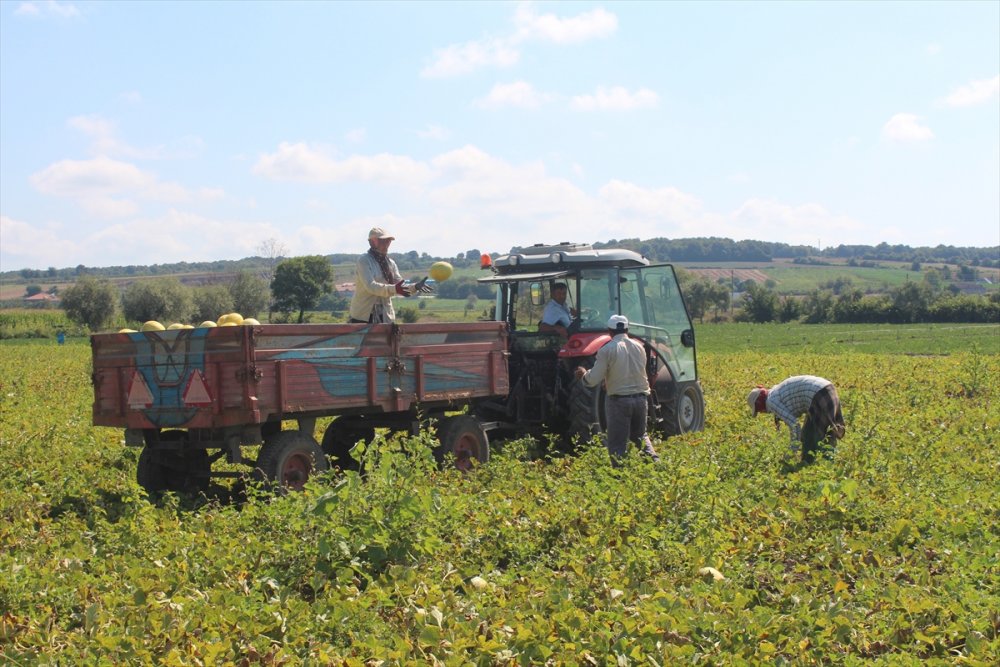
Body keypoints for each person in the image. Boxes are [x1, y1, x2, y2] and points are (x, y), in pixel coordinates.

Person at [574, 315, 659, 464]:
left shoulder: (606, 350)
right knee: (640, 436)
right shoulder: (639, 347)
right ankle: (655, 464)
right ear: (627, 329)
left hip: (619, 401)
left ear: (610, 331)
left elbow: (593, 379)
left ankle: (619, 473)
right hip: (641, 399)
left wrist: (583, 375)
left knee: (617, 442)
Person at [748, 375, 846, 463]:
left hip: (818, 395)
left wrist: (791, 452)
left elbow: (794, 425)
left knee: (821, 435)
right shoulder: (775, 392)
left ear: (760, 405)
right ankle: (809, 463)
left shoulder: (771, 402)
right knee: (809, 434)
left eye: (759, 410)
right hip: (827, 388)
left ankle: (828, 465)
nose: (762, 412)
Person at [349, 227, 430, 324]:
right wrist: (394, 289)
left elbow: (400, 286)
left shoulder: (391, 263)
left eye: (388, 241)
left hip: (385, 315)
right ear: (373, 242)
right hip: (363, 316)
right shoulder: (364, 261)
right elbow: (371, 286)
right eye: (383, 241)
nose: (386, 244)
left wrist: (415, 286)